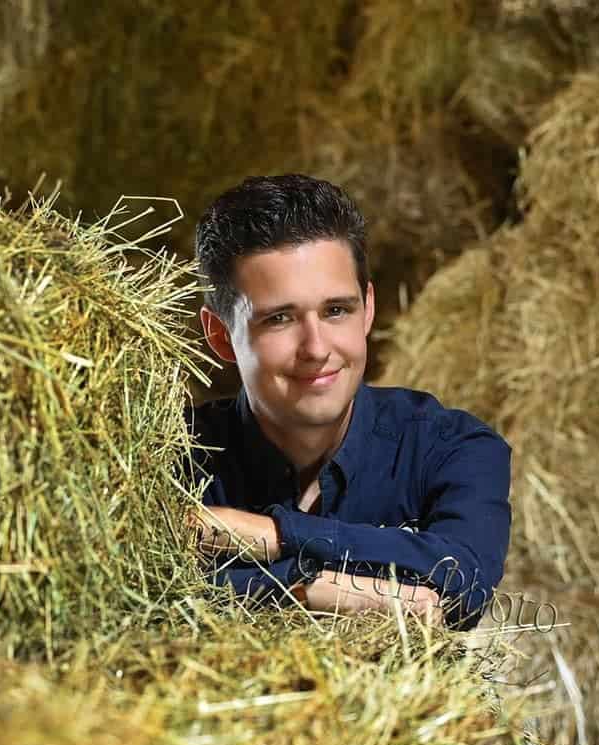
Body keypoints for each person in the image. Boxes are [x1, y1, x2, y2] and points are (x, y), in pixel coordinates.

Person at [183, 174, 511, 629]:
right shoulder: (170, 456)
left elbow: (463, 582)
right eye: (280, 319)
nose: (316, 348)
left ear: (368, 308)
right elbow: (135, 592)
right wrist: (317, 590)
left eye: (336, 310)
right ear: (220, 334)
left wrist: (277, 538)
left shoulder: (451, 447)